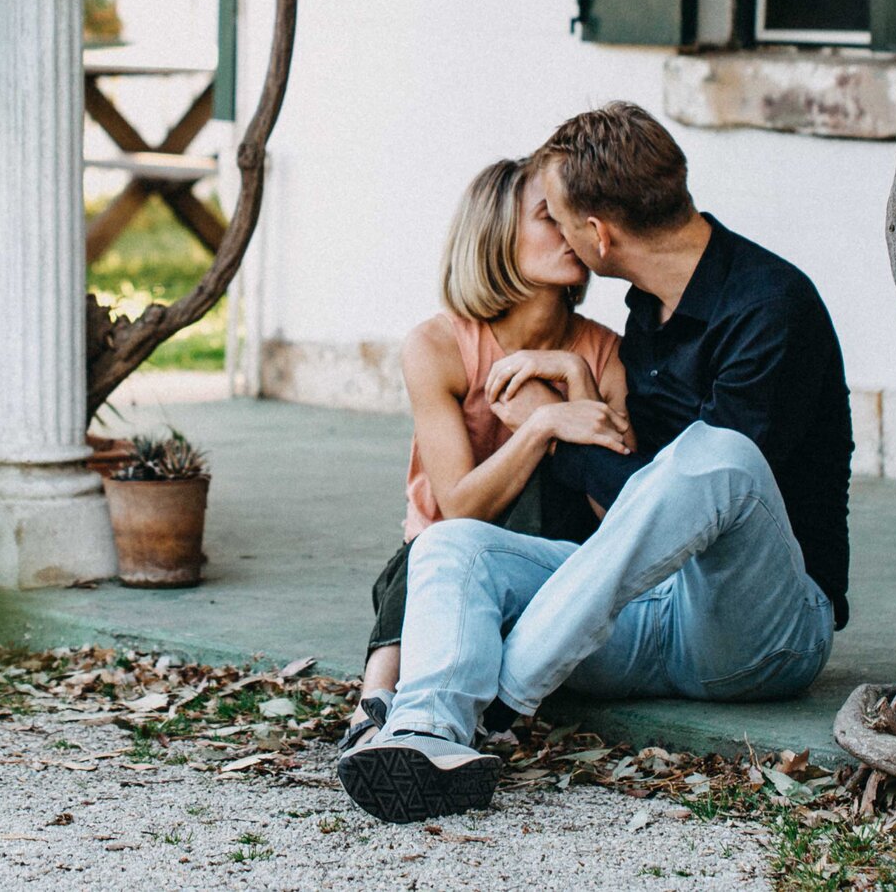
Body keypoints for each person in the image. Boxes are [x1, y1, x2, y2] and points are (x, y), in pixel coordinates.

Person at [337, 102, 853, 824]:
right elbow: (639, 497)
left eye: (557, 213)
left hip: (764, 630)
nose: (557, 229)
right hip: (647, 614)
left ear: (597, 234)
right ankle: (427, 733)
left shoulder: (772, 307)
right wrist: (571, 401)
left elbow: (707, 501)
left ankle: (506, 698)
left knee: (720, 454)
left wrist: (566, 421)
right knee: (450, 542)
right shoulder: (646, 314)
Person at [340, 157, 636, 752]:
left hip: (557, 556)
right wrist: (544, 424)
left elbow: (619, 517)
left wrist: (575, 381)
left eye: (576, 217)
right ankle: (376, 703)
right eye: (550, 218)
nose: (572, 230)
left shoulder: (605, 351)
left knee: (448, 546)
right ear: (497, 233)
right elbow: (459, 508)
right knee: (429, 551)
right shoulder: (439, 345)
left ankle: (383, 705)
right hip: (438, 559)